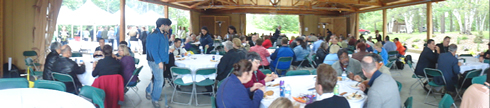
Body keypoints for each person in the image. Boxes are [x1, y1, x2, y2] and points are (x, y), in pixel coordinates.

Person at [145, 18, 172, 107]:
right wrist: (159, 62)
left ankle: (149, 91)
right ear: (163, 25)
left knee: (157, 78)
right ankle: (155, 99)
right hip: (155, 61)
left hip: (160, 60)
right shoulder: (155, 35)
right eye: (168, 25)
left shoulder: (163, 34)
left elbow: (163, 49)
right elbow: (153, 50)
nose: (169, 27)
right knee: (159, 80)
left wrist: (164, 62)